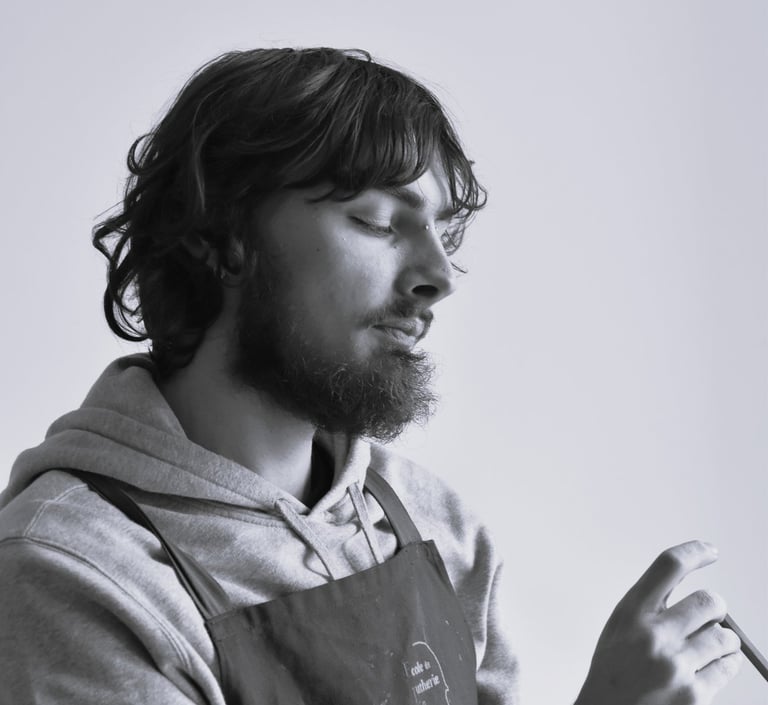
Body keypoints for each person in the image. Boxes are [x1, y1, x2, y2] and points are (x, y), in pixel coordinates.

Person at [0, 48, 743, 705]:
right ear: (221, 239)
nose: (438, 276)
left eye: (444, 234)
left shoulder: (424, 517)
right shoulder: (74, 573)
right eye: (379, 222)